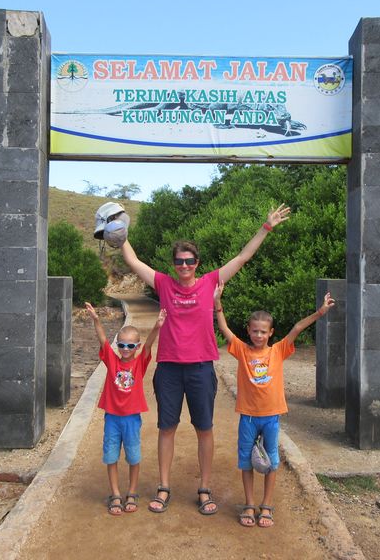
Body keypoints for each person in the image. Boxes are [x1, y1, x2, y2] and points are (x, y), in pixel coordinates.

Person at [119, 204, 290, 515]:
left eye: (189, 260)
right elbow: (133, 261)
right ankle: (163, 487)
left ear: (197, 263)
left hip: (200, 369)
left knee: (204, 429)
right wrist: (119, 231)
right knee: (167, 428)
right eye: (179, 261)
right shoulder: (164, 284)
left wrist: (266, 227)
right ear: (174, 264)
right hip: (169, 368)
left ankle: (204, 489)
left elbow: (242, 257)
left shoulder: (210, 281)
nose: (184, 265)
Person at [213, 282, 334, 528]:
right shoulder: (242, 350)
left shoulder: (278, 351)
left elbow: (297, 328)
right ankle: (249, 504)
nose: (258, 335)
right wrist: (217, 303)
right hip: (248, 416)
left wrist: (320, 312)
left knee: (272, 461)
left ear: (270, 333)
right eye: (255, 331)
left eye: (263, 332)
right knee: (246, 461)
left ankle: (266, 505)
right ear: (248, 331)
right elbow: (224, 328)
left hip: (271, 417)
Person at [84, 301, 167, 516]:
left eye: (131, 345)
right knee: (111, 456)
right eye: (122, 345)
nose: (126, 349)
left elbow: (148, 346)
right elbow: (103, 340)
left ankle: (131, 492)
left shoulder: (139, 364)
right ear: (118, 345)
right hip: (112, 418)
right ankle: (115, 493)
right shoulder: (112, 361)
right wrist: (96, 320)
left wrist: (157, 326)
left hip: (131, 418)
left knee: (133, 456)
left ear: (136, 347)